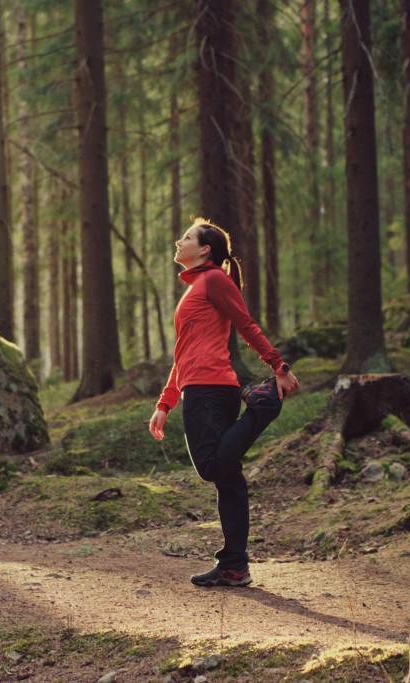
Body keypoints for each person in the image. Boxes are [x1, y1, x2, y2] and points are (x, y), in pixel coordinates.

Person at [149, 217, 300, 587]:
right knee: (229, 479)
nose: (178, 241)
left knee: (211, 467)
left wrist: (278, 365)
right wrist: (165, 403)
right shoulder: (197, 286)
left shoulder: (215, 279)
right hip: (203, 387)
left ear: (205, 250)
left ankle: (262, 407)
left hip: (210, 389)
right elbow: (182, 353)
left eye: (186, 237)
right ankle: (235, 565)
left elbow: (246, 324)